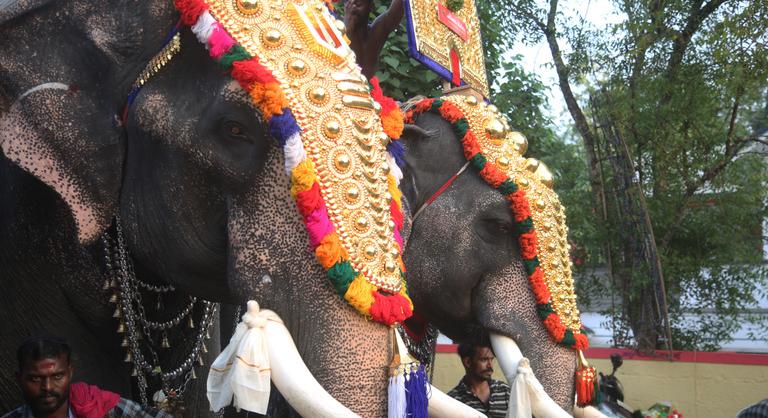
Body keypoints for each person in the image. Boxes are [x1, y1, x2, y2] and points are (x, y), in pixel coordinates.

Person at [3, 335, 170, 418]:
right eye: (35, 379)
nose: (47, 387)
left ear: (70, 373)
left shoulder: (100, 407)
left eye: (57, 376)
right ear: (19, 379)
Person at [447, 341, 510, 418]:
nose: (490, 366)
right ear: (468, 362)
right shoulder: (453, 400)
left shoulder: (505, 391)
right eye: (484, 360)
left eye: (491, 360)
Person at [344, 0, 404, 78]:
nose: (353, 8)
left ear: (371, 7)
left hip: (369, 88)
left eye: (358, 4)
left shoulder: (375, 34)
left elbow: (398, 8)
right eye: (349, 4)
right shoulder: (335, 32)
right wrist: (347, 27)